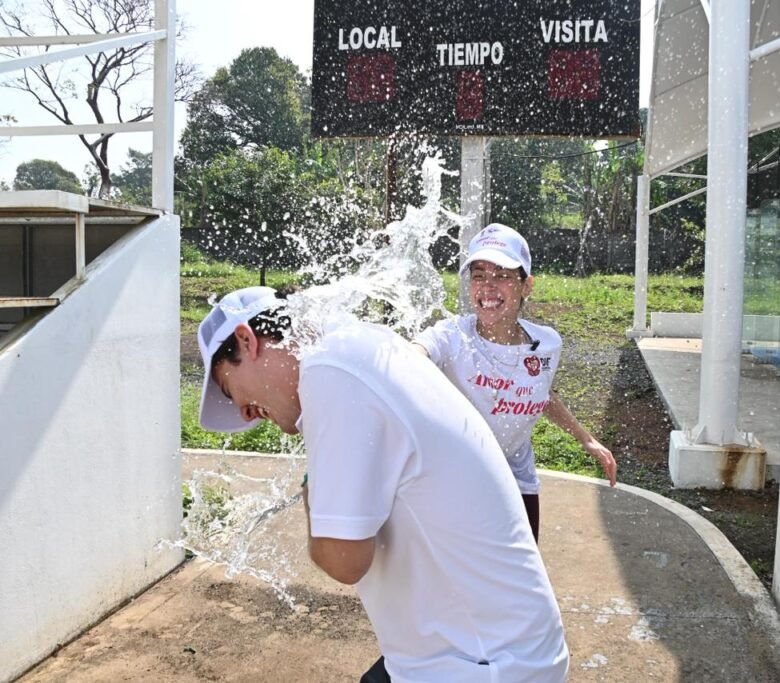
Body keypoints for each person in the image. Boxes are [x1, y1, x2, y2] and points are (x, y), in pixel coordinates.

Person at [197, 286, 570, 683]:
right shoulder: (360, 346)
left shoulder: (330, 369)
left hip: (483, 665)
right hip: (494, 650)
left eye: (229, 388)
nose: (246, 413)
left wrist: (312, 496)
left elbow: (344, 560)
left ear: (245, 339)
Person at [413, 223, 617, 541]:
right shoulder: (452, 336)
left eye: (503, 276)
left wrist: (586, 439)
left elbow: (541, 394)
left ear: (526, 285)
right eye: (478, 275)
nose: (488, 287)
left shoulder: (546, 343)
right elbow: (413, 357)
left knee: (522, 574)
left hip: (516, 476)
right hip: (456, 477)